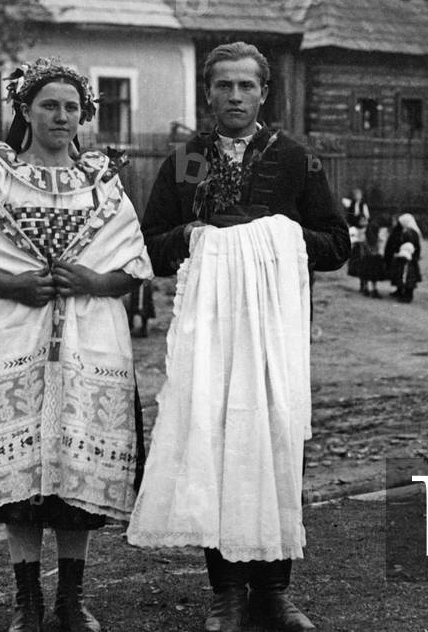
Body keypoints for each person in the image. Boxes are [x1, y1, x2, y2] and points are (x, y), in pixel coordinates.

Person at [0, 57, 153, 632]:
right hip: (8, 333)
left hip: (87, 336)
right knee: (20, 475)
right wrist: (13, 285)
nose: (62, 116)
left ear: (84, 117)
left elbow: (134, 264)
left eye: (72, 107)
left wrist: (96, 282)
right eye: (49, 105)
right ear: (24, 110)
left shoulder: (101, 184)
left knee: (77, 468)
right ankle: (28, 601)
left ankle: (71, 600)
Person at [127, 42, 349, 632]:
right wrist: (197, 234)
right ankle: (226, 592)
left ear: (263, 93)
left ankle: (274, 592)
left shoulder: (296, 159)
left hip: (276, 332)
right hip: (209, 331)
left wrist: (278, 236)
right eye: (223, 86)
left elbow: (337, 244)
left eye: (245, 86)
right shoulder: (186, 161)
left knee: (275, 441)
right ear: (208, 93)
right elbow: (150, 243)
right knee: (215, 444)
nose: (234, 96)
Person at [391, 212, 422, 302]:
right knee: (402, 275)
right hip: (404, 257)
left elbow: (414, 246)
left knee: (408, 277)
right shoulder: (407, 231)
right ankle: (400, 290)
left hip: (409, 259)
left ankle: (408, 295)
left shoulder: (411, 232)